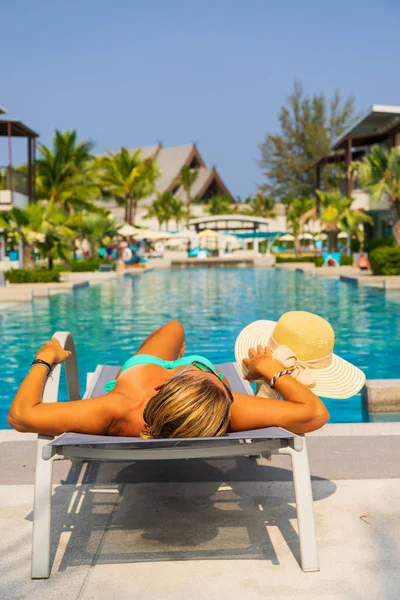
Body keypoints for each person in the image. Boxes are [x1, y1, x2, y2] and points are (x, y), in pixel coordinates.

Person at [8, 312, 365, 439]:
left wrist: (45, 359)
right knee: (177, 329)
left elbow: (21, 416)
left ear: (163, 385)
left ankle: (177, 349)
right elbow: (316, 412)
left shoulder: (114, 410)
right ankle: (181, 350)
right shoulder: (228, 410)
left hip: (140, 371)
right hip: (164, 385)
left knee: (174, 326)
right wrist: (272, 372)